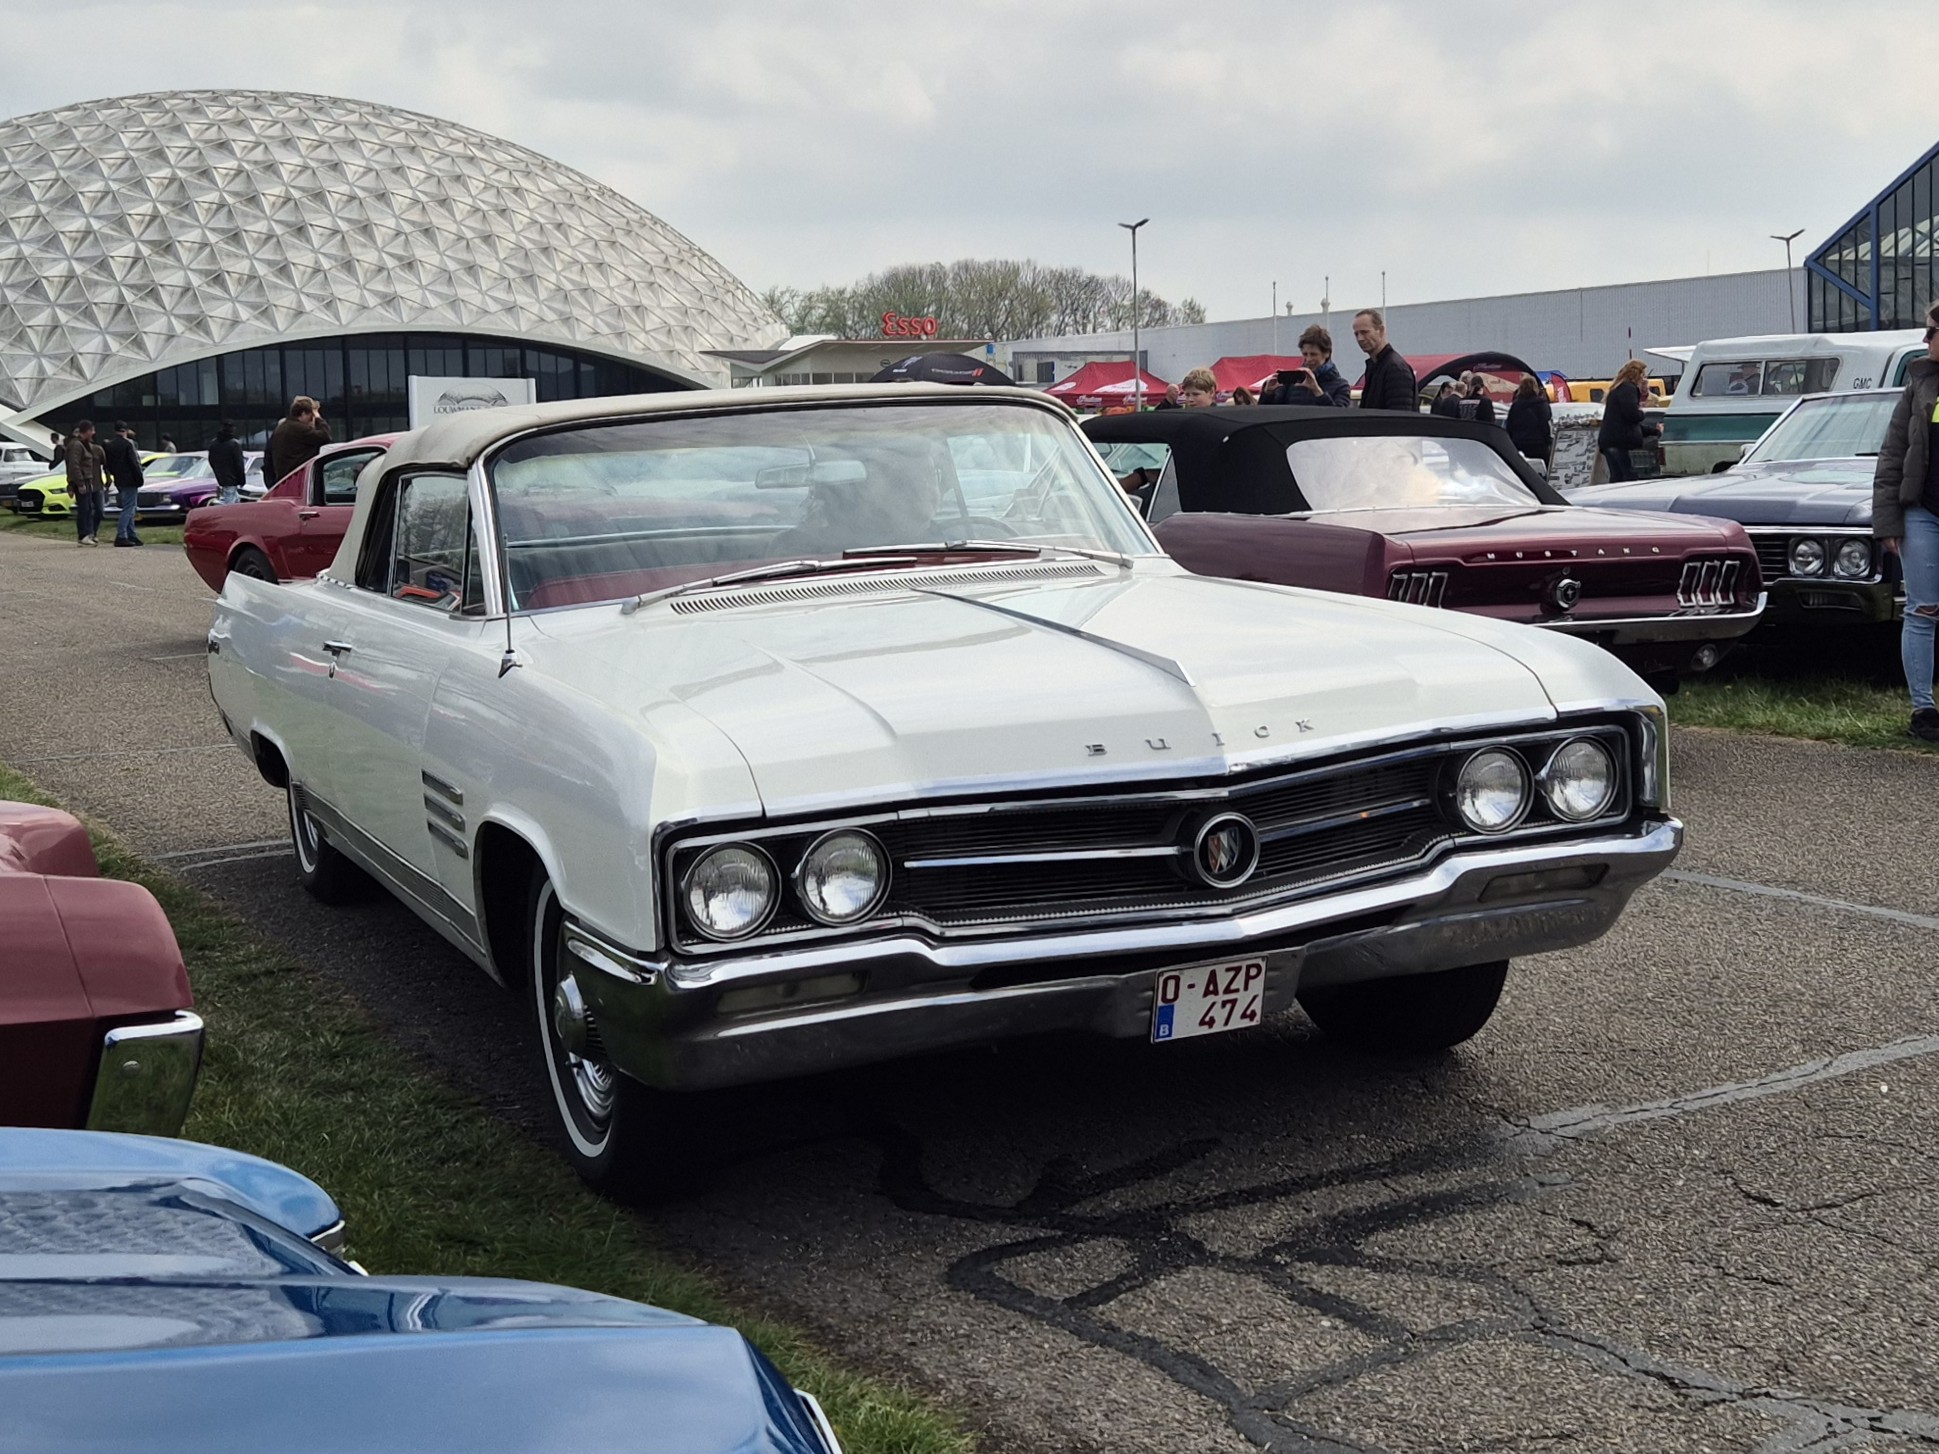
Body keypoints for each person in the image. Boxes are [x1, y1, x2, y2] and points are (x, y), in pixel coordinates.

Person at [1871, 301, 1939, 741]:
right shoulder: (1919, 384)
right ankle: (1924, 711)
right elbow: (1893, 454)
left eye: (1931, 333)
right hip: (1922, 513)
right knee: (1924, 609)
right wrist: (1888, 522)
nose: (1927, 341)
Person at [1597, 359, 1661, 482]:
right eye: (1643, 375)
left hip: (1609, 440)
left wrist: (1653, 430)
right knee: (1628, 478)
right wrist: (1642, 413)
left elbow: (1626, 421)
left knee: (1617, 477)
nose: (1644, 379)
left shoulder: (1617, 389)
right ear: (1638, 374)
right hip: (1621, 442)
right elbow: (1632, 416)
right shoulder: (1628, 389)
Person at [1353, 309, 1418, 411]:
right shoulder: (1375, 367)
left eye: (1365, 332)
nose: (1360, 338)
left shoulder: (1395, 369)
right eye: (1356, 334)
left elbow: (1399, 417)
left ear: (1381, 330)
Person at [1281, 325, 1353, 408]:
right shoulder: (1293, 383)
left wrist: (1317, 392)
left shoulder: (1341, 386)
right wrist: (1269, 393)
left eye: (1313, 354)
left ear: (1327, 354)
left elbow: (1338, 417)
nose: (1308, 359)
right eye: (1305, 354)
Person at [266, 395, 331, 483]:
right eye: (311, 416)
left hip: (284, 478)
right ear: (303, 414)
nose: (312, 420)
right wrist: (319, 418)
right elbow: (325, 436)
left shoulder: (282, 427)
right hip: (298, 478)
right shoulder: (298, 429)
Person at [103, 421, 145, 546]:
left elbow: (108, 464)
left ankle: (131, 535)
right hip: (130, 479)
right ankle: (121, 535)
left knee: (129, 507)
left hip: (119, 479)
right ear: (125, 430)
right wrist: (139, 478)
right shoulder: (128, 444)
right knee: (129, 508)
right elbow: (134, 462)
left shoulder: (109, 445)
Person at [63, 421, 105, 546]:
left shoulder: (85, 445)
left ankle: (89, 533)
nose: (93, 433)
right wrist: (79, 483)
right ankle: (84, 535)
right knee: (84, 509)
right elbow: (74, 465)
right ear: (87, 431)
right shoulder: (77, 445)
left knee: (89, 508)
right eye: (92, 430)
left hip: (89, 480)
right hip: (83, 480)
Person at [1504, 374, 1554, 466]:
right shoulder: (1541, 404)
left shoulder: (1516, 406)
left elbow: (1510, 426)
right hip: (1538, 445)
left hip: (1519, 444)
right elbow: (1545, 424)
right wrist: (1548, 441)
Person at [209, 421, 248, 505]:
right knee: (230, 504)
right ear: (232, 429)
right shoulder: (234, 444)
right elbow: (239, 464)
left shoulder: (214, 444)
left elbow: (211, 460)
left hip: (221, 479)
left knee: (230, 500)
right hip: (232, 480)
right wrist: (242, 480)